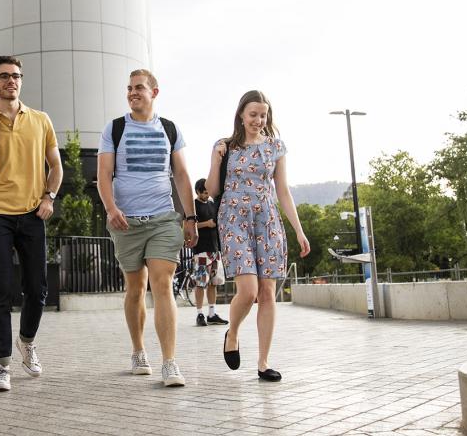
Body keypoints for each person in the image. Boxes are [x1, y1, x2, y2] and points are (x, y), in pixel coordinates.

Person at [0, 55, 62, 392]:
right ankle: (1, 365)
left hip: (33, 212)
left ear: (21, 80)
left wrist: (49, 197)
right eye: (3, 76)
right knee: (2, 288)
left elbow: (56, 167)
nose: (10, 81)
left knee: (38, 288)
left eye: (15, 76)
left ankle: (27, 342)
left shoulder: (41, 120)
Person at [96, 68, 198, 387]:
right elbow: (103, 175)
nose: (132, 92)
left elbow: (181, 175)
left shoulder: (169, 129)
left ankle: (169, 362)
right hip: (126, 220)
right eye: (129, 88)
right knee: (136, 289)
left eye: (139, 87)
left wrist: (190, 217)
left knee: (162, 284)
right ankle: (139, 350)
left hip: (163, 218)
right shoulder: (114, 129)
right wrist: (111, 208)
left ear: (154, 92)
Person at [206, 90, 310, 382]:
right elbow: (213, 190)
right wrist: (216, 160)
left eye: (263, 114)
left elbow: (283, 191)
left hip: (267, 221)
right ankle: (233, 332)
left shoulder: (275, 147)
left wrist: (299, 230)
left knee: (267, 293)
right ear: (241, 114)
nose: (258, 119)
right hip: (234, 219)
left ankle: (263, 362)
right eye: (253, 114)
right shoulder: (224, 146)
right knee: (249, 291)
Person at [192, 178, 228, 327]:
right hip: (201, 250)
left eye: (208, 193)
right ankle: (200, 314)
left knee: (214, 283)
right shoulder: (193, 206)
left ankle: (212, 314)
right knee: (200, 283)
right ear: (198, 192)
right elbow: (188, 226)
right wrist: (206, 224)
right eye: (204, 193)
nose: (207, 195)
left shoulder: (213, 204)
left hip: (215, 249)